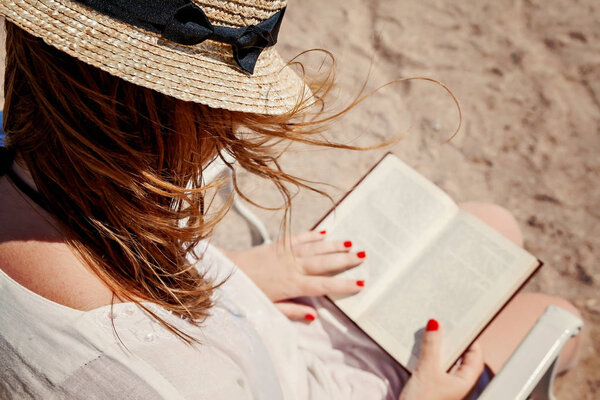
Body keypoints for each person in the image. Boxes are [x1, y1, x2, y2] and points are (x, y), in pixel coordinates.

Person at [0, 0, 581, 399]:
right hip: (289, 377)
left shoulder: (40, 158)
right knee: (557, 320)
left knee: (490, 224)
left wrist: (239, 275)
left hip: (250, 323)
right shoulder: (155, 378)